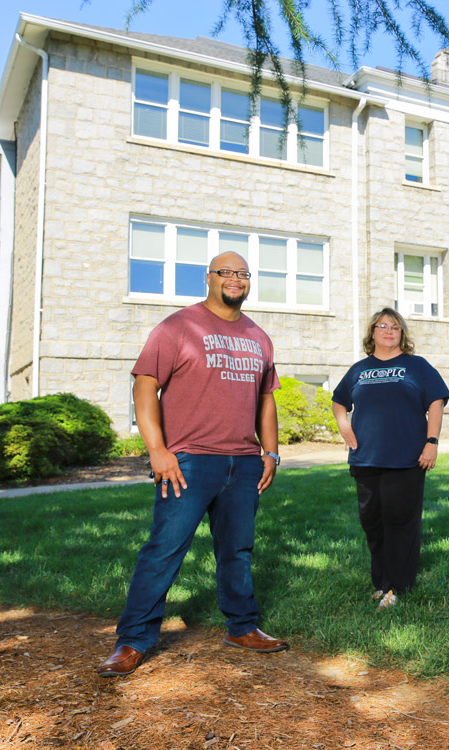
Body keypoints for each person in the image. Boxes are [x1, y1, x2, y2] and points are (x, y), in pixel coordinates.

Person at [98, 251, 287, 678]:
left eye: (242, 274)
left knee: (236, 551)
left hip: (242, 463)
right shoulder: (177, 327)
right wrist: (158, 451)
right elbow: (145, 386)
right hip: (188, 461)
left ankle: (241, 627)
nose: (235, 279)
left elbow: (266, 399)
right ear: (209, 278)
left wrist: (270, 452)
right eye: (226, 272)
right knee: (163, 551)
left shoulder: (259, 337)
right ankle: (132, 640)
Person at [332, 308, 449, 609]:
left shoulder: (416, 366)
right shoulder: (359, 369)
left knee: (400, 523)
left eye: (395, 327)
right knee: (372, 522)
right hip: (365, 458)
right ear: (372, 332)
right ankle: (382, 583)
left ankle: (399, 586)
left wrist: (432, 442)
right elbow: (339, 401)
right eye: (382, 326)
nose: (388, 331)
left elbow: (436, 403)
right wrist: (344, 425)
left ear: (402, 333)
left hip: (406, 458)